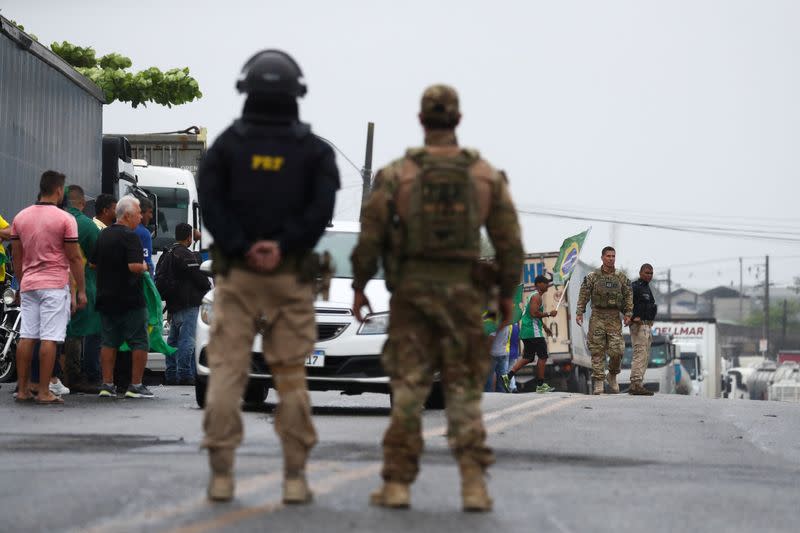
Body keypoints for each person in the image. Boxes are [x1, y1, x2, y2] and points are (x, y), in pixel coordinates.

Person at [351, 84, 524, 512]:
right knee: (464, 389)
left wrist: (358, 285)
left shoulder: (396, 174)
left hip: (412, 295)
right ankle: (473, 486)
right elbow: (509, 243)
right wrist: (506, 293)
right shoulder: (483, 175)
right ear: (458, 120)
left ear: (421, 120)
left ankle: (396, 484)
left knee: (409, 388)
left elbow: (370, 235)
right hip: (464, 297)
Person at [198, 49, 339, 504]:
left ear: (246, 90)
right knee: (291, 375)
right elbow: (321, 211)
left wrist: (243, 246)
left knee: (226, 373)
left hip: (238, 276)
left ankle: (221, 475)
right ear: (297, 93)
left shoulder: (227, 146)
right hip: (291, 276)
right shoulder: (314, 152)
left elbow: (212, 205)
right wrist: (282, 244)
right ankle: (295, 478)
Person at [9, 170, 87, 404]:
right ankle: (44, 391)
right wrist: (81, 289)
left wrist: (22, 284)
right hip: (53, 285)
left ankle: (22, 390)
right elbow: (74, 258)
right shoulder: (65, 219)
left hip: (30, 284)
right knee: (49, 339)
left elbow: (16, 257)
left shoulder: (21, 217)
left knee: (27, 336)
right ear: (59, 191)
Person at [92, 195, 154, 399]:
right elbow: (134, 266)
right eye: (137, 214)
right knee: (139, 341)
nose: (140, 218)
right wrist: (145, 266)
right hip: (130, 298)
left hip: (106, 296)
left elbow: (93, 264)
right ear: (127, 215)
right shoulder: (130, 236)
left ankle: (107, 385)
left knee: (109, 342)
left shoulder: (104, 234)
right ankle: (135, 385)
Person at [575, 246, 633, 395]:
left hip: (614, 318)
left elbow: (628, 296)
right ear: (602, 258)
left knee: (617, 351)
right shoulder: (593, 276)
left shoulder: (621, 278)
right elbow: (583, 294)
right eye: (608, 256)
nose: (611, 258)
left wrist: (628, 313)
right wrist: (579, 312)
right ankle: (599, 382)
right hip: (597, 316)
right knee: (597, 351)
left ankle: (612, 375)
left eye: (613, 256)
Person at [63, 185, 103, 392]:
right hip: (80, 283)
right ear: (82, 202)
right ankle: (77, 377)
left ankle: (48, 378)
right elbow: (98, 258)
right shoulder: (87, 225)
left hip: (46, 282)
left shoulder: (53, 218)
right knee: (79, 331)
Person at [163, 223, 211, 385]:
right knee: (188, 340)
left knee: (173, 341)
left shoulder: (170, 251)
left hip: (174, 305)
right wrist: (208, 286)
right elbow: (200, 278)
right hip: (188, 303)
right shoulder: (186, 254)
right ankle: (184, 374)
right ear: (189, 237)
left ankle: (171, 373)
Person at [502, 275, 557, 393]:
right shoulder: (537, 296)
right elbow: (533, 313)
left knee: (528, 357)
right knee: (543, 356)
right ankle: (540, 385)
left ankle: (508, 376)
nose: (547, 285)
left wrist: (545, 327)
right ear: (538, 284)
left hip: (527, 332)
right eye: (545, 283)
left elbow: (533, 314)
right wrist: (549, 314)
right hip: (533, 333)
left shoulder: (534, 296)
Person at [629, 263, 657, 396]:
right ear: (640, 273)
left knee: (645, 355)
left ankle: (639, 383)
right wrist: (632, 317)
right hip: (638, 326)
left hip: (647, 325)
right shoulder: (635, 287)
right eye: (646, 273)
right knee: (639, 353)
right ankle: (635, 383)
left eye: (651, 273)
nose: (649, 275)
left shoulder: (647, 288)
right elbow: (627, 303)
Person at [485, 317, 511, 393]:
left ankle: (489, 395)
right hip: (504, 352)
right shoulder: (507, 322)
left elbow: (491, 338)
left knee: (489, 379)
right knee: (503, 376)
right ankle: (504, 394)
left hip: (493, 353)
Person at [134, 197, 155, 276]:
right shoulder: (144, 233)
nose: (151, 216)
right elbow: (146, 262)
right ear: (141, 213)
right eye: (149, 212)